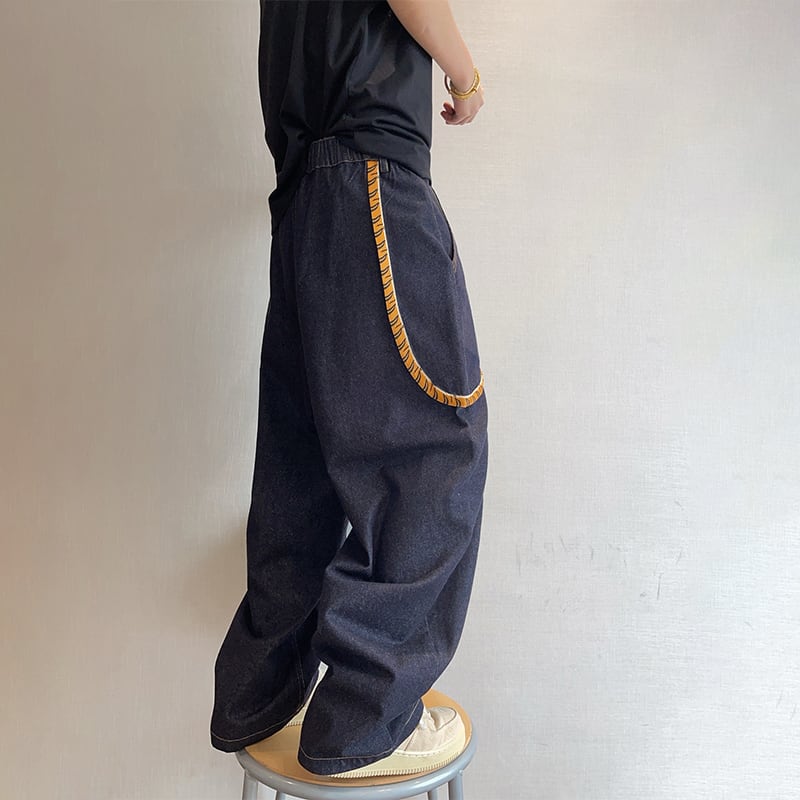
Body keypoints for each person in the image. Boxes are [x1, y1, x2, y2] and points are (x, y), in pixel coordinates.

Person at [210, 0, 489, 779]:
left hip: (304, 199)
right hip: (372, 180)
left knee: (302, 465)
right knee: (434, 451)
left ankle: (261, 689)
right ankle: (366, 721)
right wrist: (467, 79)